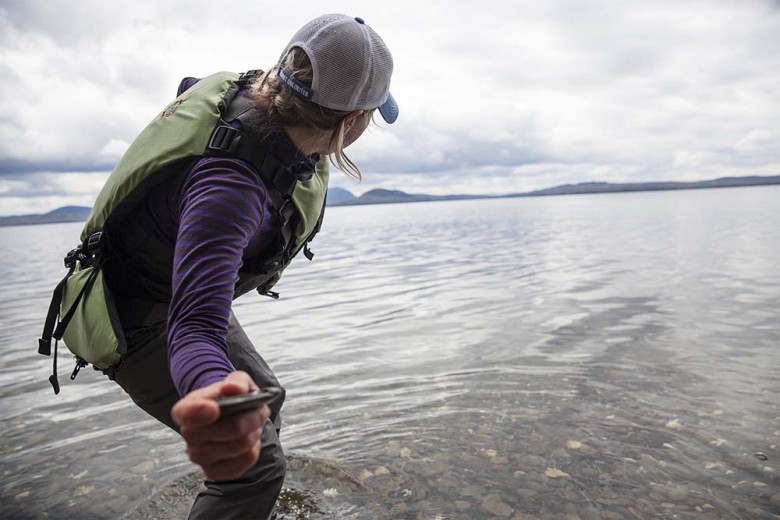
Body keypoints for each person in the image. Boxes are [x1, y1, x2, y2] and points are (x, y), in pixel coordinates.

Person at [40, 13, 397, 520]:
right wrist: (211, 393)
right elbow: (193, 327)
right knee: (257, 466)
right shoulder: (231, 188)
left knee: (266, 399)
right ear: (352, 121)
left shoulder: (260, 101)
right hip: (136, 318)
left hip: (179, 285)